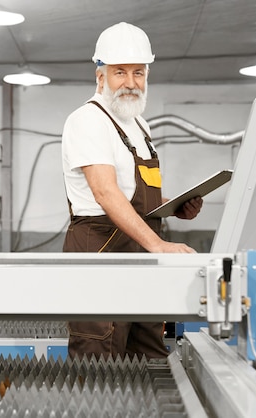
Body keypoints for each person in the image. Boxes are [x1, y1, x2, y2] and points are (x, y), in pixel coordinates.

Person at [61, 22, 203, 360]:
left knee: (149, 352)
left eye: (138, 73)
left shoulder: (140, 124)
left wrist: (174, 205)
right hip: (100, 249)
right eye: (119, 72)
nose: (130, 82)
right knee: (99, 356)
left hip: (141, 251)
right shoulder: (88, 120)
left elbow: (137, 195)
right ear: (101, 77)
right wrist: (158, 245)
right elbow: (106, 193)